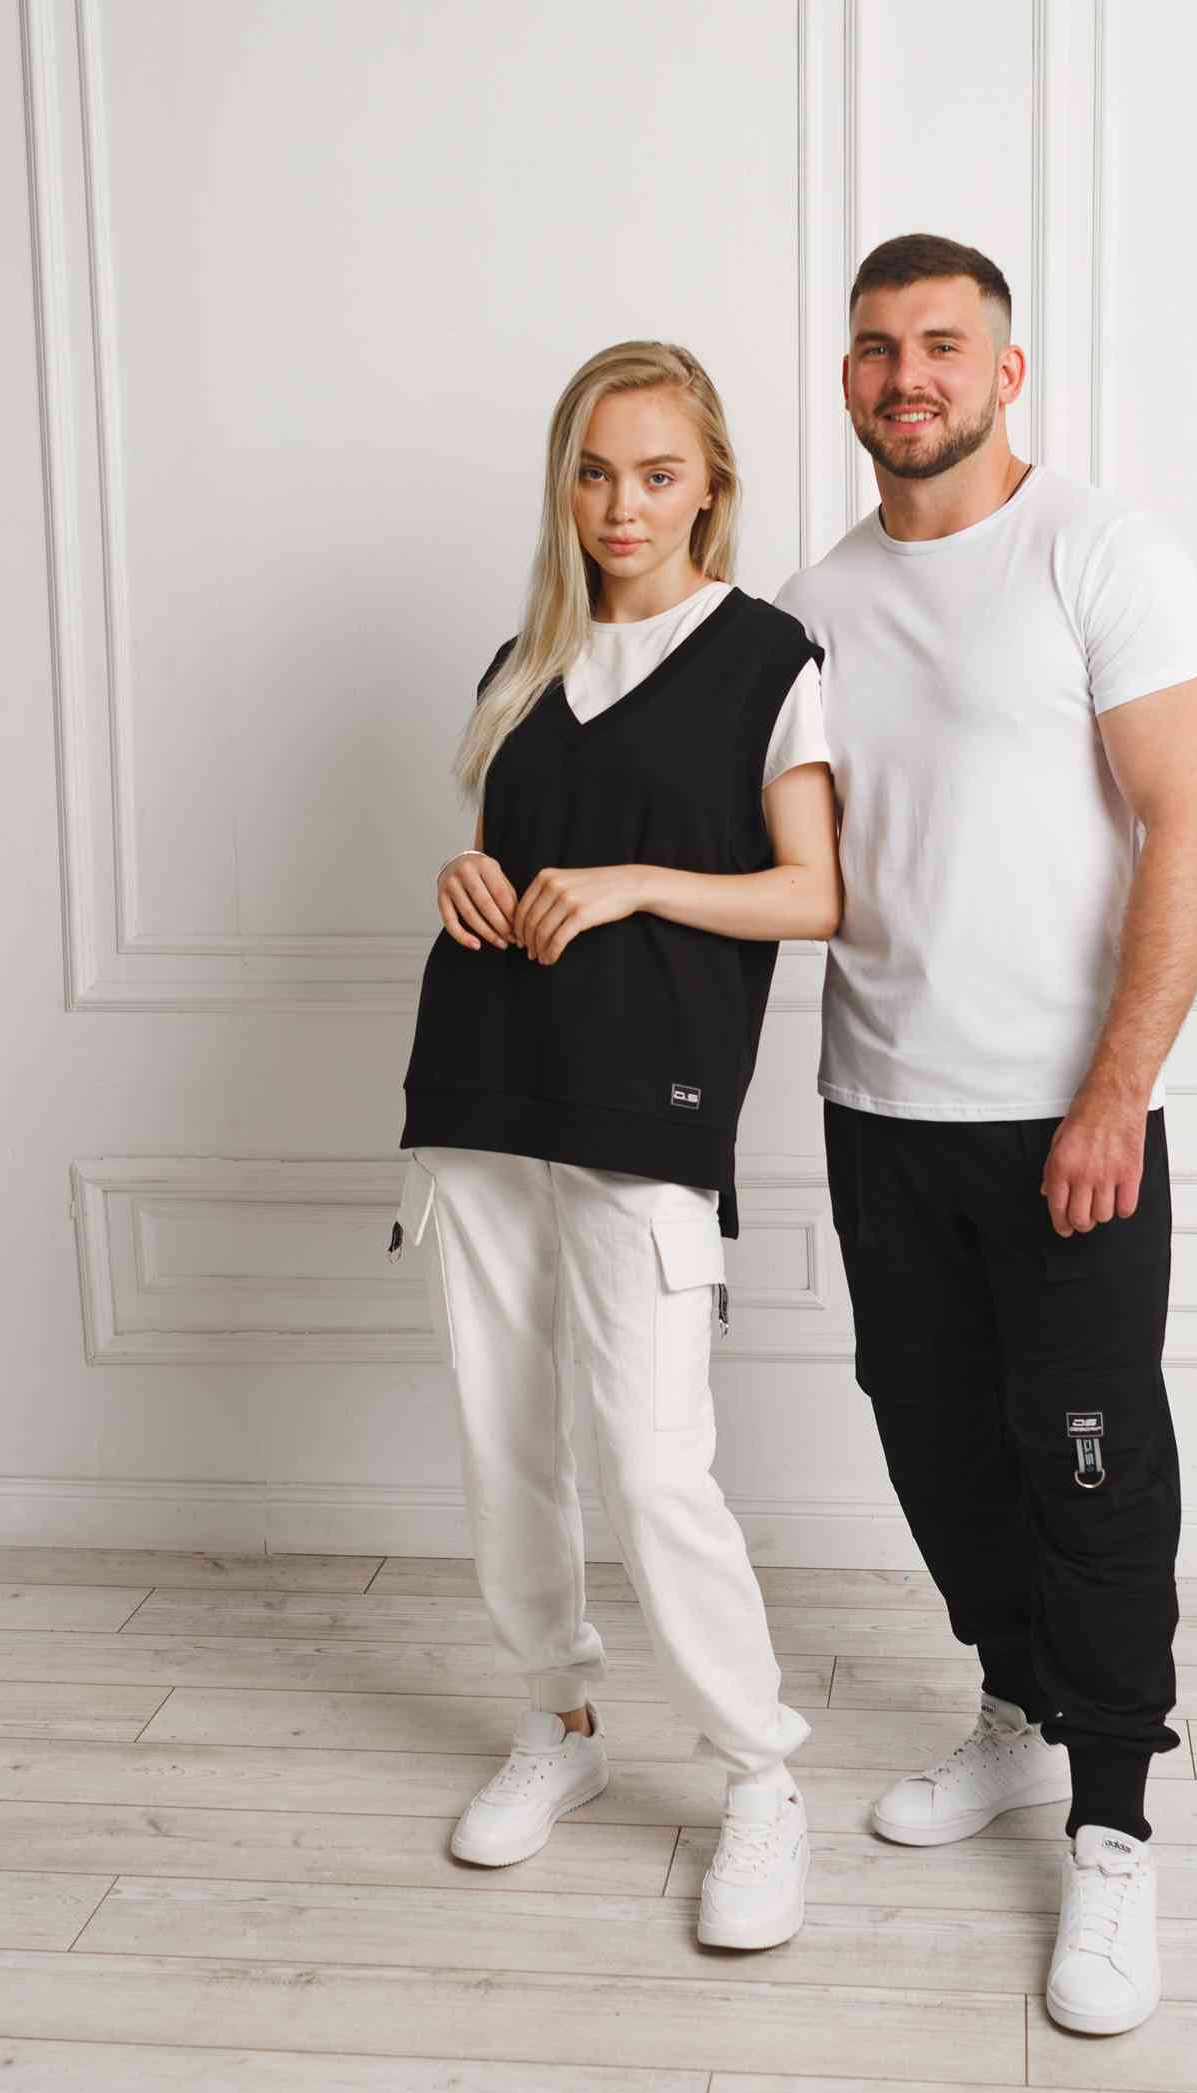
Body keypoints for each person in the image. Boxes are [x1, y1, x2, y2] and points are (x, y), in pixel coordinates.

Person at [775, 233, 1197, 2035]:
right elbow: (786, 859)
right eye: (876, 348)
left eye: (942, 346)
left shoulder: (1098, 552)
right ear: (847, 377)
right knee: (938, 1450)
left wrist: (1113, 1092)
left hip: (1063, 1121)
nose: (908, 377)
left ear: (1003, 371)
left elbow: (1192, 829)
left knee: (1091, 1467)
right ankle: (1018, 1706)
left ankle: (1112, 1827)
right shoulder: (813, 602)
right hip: (876, 1108)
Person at [390, 340, 839, 1951]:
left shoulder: (769, 657)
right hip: (481, 1090)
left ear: (710, 485)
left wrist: (640, 881)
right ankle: (559, 1722)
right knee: (503, 1440)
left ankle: (759, 1777)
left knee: (652, 1465)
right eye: (593, 472)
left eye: (655, 473)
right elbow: (503, 857)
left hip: (647, 1109)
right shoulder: (523, 658)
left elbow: (815, 893)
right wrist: (464, 876)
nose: (621, 505)